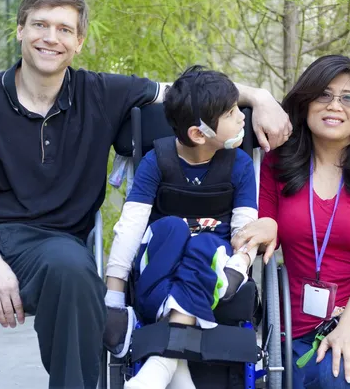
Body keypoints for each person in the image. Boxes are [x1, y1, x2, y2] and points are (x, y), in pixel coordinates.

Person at [0, 0, 292, 389]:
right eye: (40, 25)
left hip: (54, 242)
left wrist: (258, 96)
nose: (51, 37)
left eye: (64, 29)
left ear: (79, 41)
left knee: (76, 275)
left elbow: (184, 95)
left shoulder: (101, 93)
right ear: (20, 31)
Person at [233, 55, 350, 389]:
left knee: (337, 374)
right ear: (305, 102)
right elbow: (202, 94)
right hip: (298, 326)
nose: (335, 106)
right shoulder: (276, 163)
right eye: (324, 95)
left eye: (348, 98)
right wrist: (257, 96)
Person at [103, 65, 279, 389]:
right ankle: (173, 366)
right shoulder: (156, 161)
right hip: (159, 272)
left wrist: (239, 267)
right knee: (171, 228)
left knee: (208, 244)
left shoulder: (238, 164)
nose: (242, 117)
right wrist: (114, 297)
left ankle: (164, 366)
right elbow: (130, 227)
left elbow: (245, 231)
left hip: (216, 269)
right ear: (200, 133)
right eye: (230, 113)